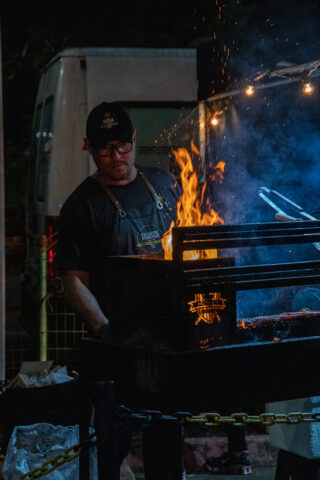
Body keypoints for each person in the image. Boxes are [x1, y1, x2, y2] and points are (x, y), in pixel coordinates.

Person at [55, 102, 184, 479]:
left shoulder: (162, 183)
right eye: (105, 149)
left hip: (166, 340)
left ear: (135, 141)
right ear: (89, 148)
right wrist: (104, 330)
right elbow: (73, 280)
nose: (117, 157)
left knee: (166, 442)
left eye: (123, 146)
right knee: (112, 447)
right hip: (118, 345)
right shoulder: (83, 205)